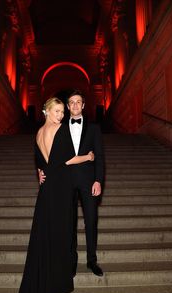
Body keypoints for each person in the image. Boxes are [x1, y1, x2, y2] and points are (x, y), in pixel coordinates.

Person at [9, 97, 94, 293]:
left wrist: (40, 172)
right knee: (62, 234)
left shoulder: (37, 134)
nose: (61, 115)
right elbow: (68, 160)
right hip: (62, 189)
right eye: (57, 111)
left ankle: (46, 283)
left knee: (45, 237)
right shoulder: (61, 130)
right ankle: (58, 284)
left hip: (47, 191)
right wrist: (88, 157)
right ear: (47, 112)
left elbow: (40, 161)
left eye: (61, 112)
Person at [39, 90, 104, 277]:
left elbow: (99, 156)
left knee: (91, 220)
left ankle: (92, 261)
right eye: (72, 102)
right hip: (64, 181)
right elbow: (48, 153)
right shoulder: (59, 128)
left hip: (88, 181)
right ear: (67, 107)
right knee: (69, 224)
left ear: (83, 105)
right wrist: (40, 169)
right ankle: (71, 262)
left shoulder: (94, 129)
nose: (75, 105)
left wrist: (98, 180)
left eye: (78, 102)